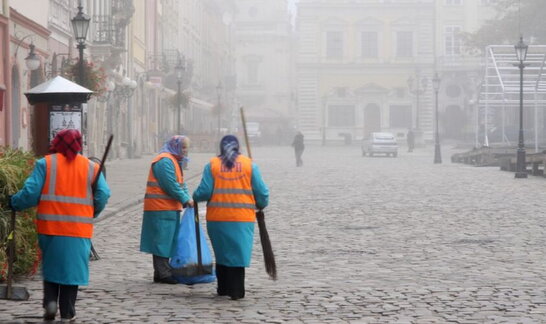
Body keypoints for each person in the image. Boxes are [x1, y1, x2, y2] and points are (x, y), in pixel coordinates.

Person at [8, 129, 110, 322]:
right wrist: (92, 211)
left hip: (50, 227)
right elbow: (103, 194)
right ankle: (68, 311)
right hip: (79, 229)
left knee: (52, 267)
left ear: (57, 142)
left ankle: (50, 306)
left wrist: (14, 202)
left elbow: (30, 193)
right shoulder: (91, 167)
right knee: (72, 270)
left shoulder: (45, 163)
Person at [193, 135, 269, 300]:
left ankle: (223, 288)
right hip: (242, 219)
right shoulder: (249, 165)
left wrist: (195, 196)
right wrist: (262, 203)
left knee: (222, 252)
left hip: (217, 219)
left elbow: (204, 191)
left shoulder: (212, 165)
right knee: (238, 253)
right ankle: (236, 290)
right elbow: (262, 193)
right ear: (237, 147)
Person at [140, 135, 194, 284]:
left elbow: (181, 184)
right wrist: (185, 199)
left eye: (186, 147)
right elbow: (170, 184)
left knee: (167, 240)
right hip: (160, 207)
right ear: (174, 146)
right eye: (182, 147)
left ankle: (161, 272)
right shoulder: (165, 161)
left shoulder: (174, 161)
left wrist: (187, 197)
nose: (185, 150)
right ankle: (163, 273)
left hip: (168, 207)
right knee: (162, 240)